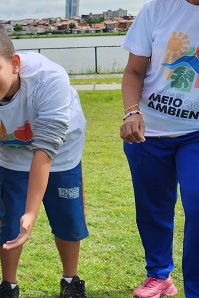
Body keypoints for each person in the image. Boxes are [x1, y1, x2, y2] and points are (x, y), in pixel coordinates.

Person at [0, 28, 88, 298]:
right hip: (13, 156)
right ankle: (8, 286)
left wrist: (31, 213)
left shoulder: (49, 78)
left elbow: (45, 147)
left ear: (15, 64)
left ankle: (71, 281)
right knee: (8, 224)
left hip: (60, 153)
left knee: (67, 220)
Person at [120, 0, 199, 297]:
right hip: (148, 132)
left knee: (198, 203)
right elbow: (134, 72)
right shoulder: (156, 9)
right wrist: (132, 112)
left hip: (195, 134)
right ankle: (159, 275)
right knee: (153, 208)